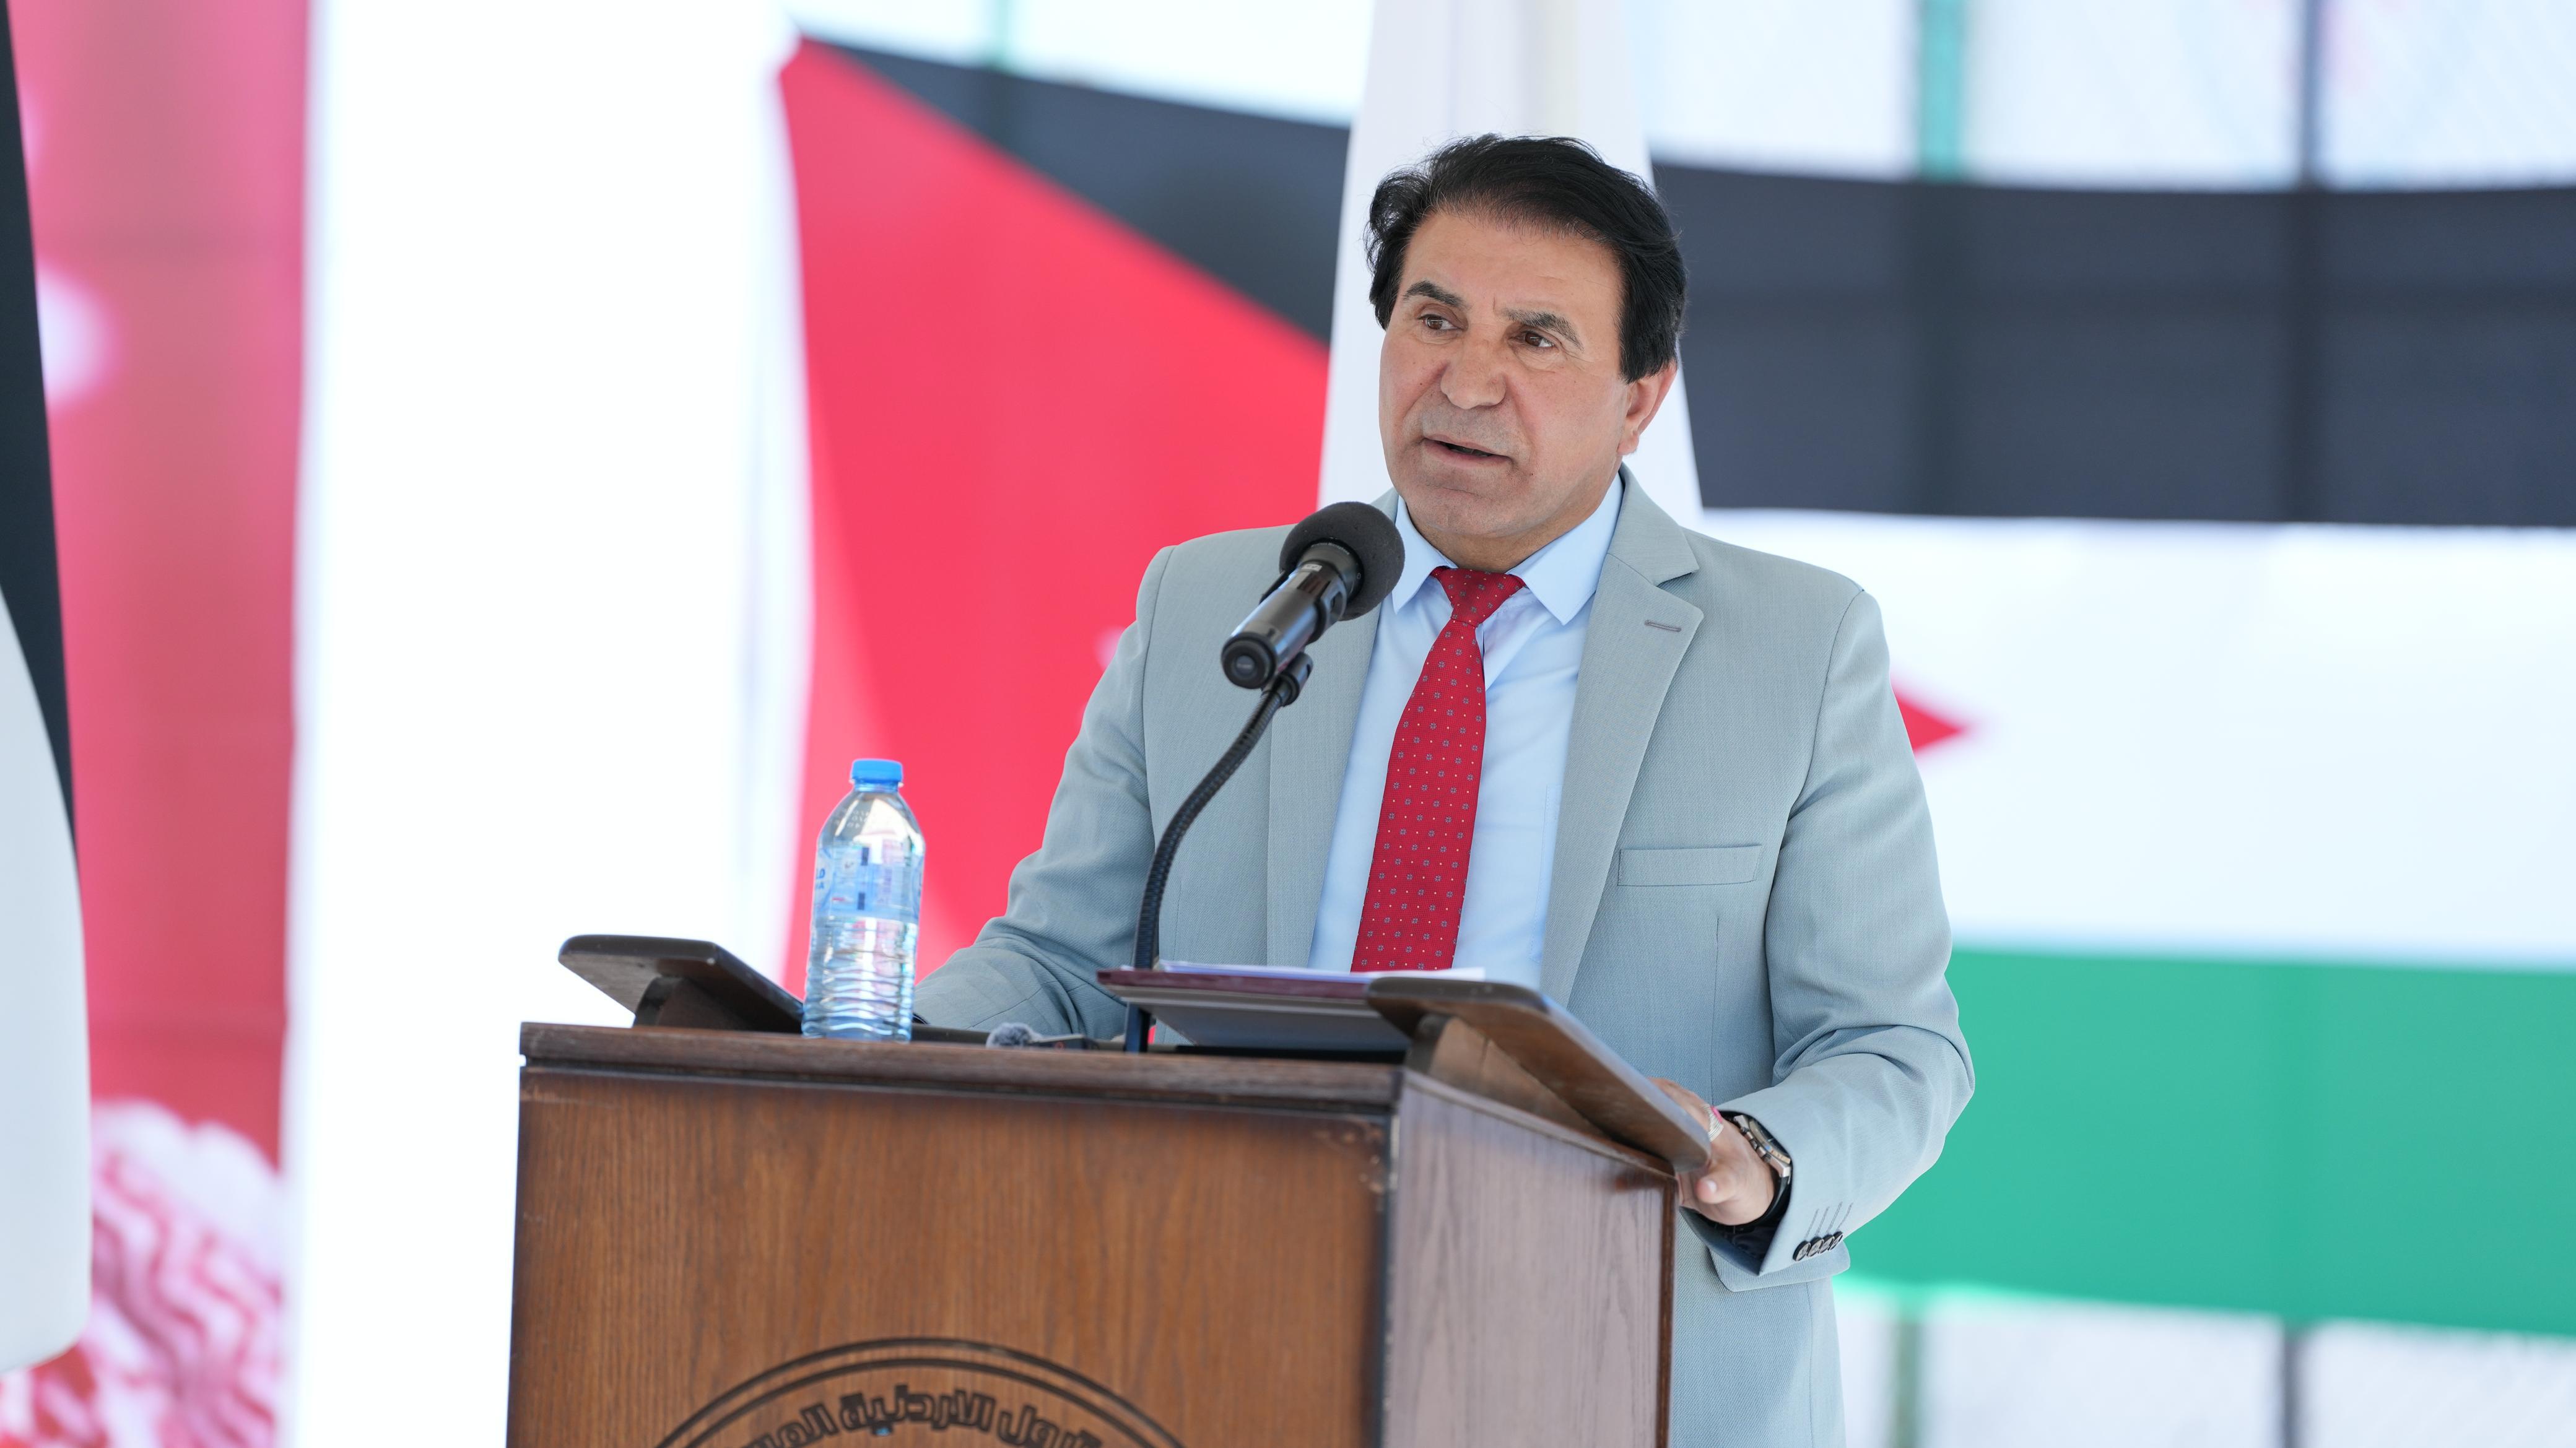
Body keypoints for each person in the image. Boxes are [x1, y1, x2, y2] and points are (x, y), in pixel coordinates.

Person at [916, 134, 1971, 1448]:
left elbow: (1894, 1048)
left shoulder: (1795, 649)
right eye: (1434, 319)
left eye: (1536, 339)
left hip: (1623, 1353)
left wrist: (1753, 1156)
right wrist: (850, 1044)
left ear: (1640, 398)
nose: (1466, 382)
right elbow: (1057, 962)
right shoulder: (1214, 607)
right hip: (1223, 1322)